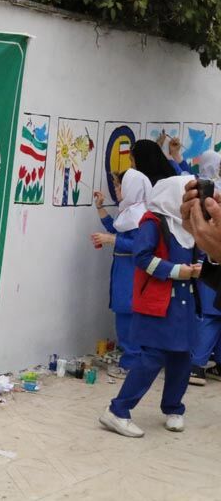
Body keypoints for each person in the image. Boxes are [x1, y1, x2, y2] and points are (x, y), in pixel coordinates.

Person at [99, 176, 201, 438]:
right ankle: (118, 410)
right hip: (159, 303)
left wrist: (200, 267)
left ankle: (173, 407)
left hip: (183, 304)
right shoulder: (152, 222)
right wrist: (176, 271)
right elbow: (142, 258)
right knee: (151, 358)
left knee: (182, 357)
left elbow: (199, 254)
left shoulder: (188, 225)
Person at [91, 169, 152, 377]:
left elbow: (140, 245)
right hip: (123, 269)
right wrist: (100, 208)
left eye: (119, 186)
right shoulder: (129, 211)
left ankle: (131, 363)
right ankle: (132, 359)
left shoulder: (141, 215)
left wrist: (112, 240)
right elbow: (116, 228)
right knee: (124, 312)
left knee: (127, 315)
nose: (116, 190)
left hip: (132, 271)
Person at [186, 151, 221, 385]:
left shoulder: (210, 193)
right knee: (215, 316)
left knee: (210, 316)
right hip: (211, 258)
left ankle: (199, 365)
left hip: (210, 258)